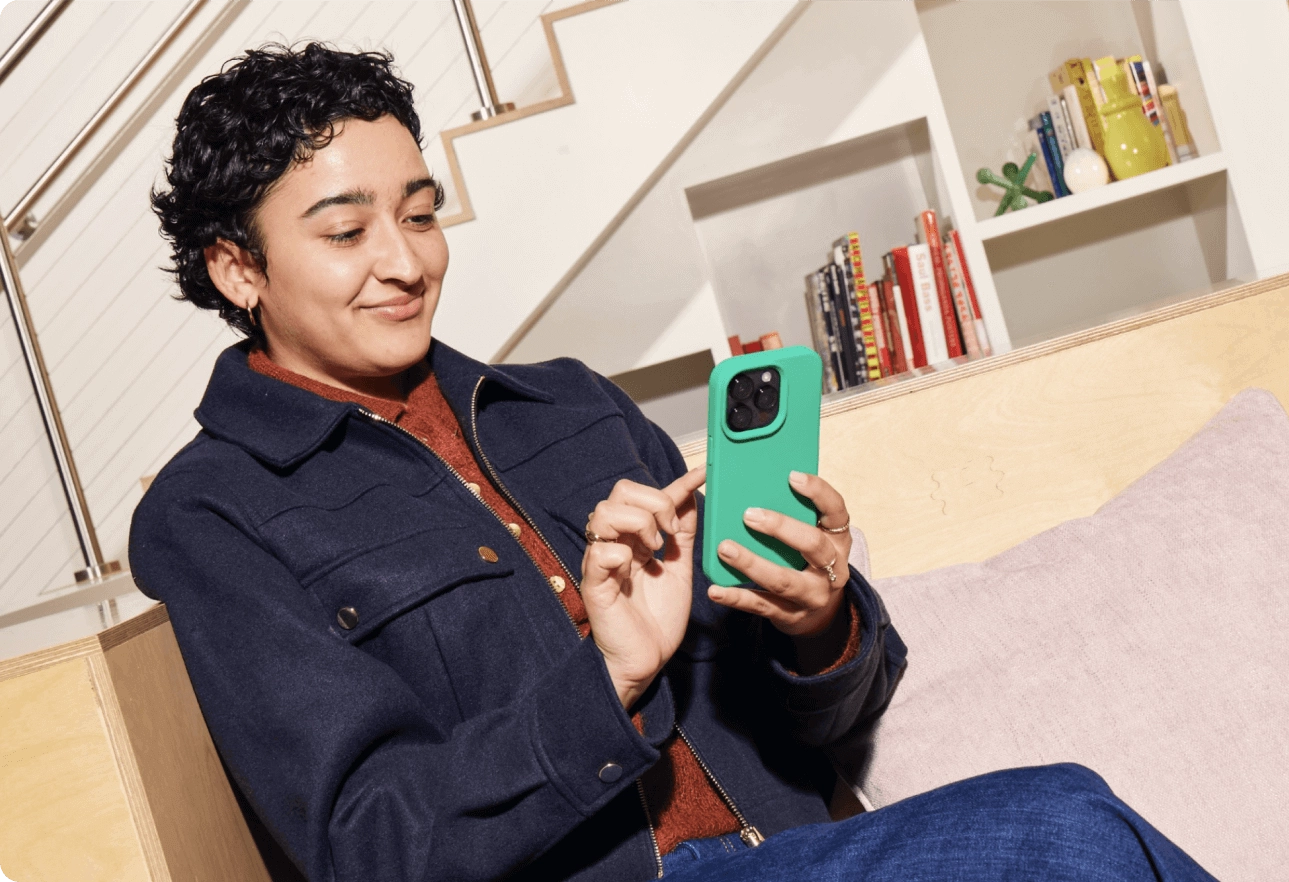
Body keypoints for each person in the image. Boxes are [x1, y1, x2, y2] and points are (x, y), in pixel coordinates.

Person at [130, 42, 1217, 882]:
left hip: (801, 855)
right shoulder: (211, 515)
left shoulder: (569, 405)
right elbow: (372, 846)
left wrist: (817, 621)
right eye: (345, 231)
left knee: (1073, 828)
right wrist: (609, 679)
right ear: (237, 268)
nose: (406, 261)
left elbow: (830, 718)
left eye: (420, 214)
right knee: (1065, 824)